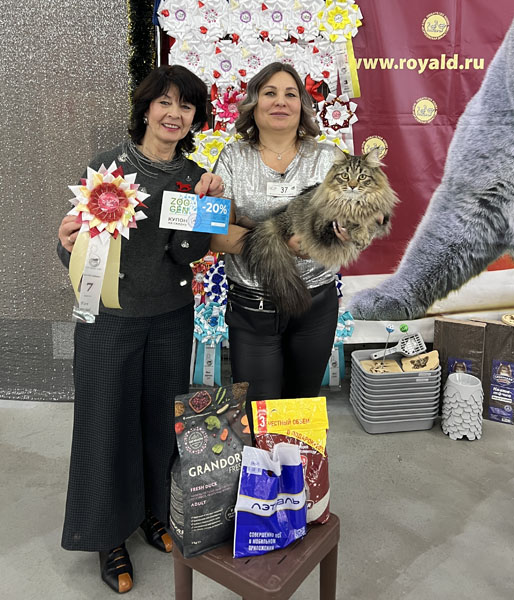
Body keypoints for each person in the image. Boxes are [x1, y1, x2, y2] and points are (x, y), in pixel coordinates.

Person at [57, 65, 223, 594]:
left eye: (186, 106)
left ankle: (155, 512)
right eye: (164, 102)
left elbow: (187, 256)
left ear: (195, 118)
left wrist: (206, 207)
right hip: (108, 320)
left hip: (171, 318)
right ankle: (108, 537)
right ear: (146, 109)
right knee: (105, 425)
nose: (174, 114)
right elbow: (78, 249)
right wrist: (64, 242)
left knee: (161, 423)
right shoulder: (106, 168)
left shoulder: (195, 176)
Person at [210, 62, 349, 424]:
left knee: (300, 411)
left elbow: (348, 222)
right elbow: (216, 235)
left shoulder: (327, 157)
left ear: (302, 105)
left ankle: (295, 464)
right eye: (269, 93)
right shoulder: (232, 157)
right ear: (253, 104)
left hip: (315, 305)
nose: (280, 102)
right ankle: (263, 463)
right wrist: (284, 242)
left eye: (290, 94)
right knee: (260, 415)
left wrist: (343, 231)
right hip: (252, 306)